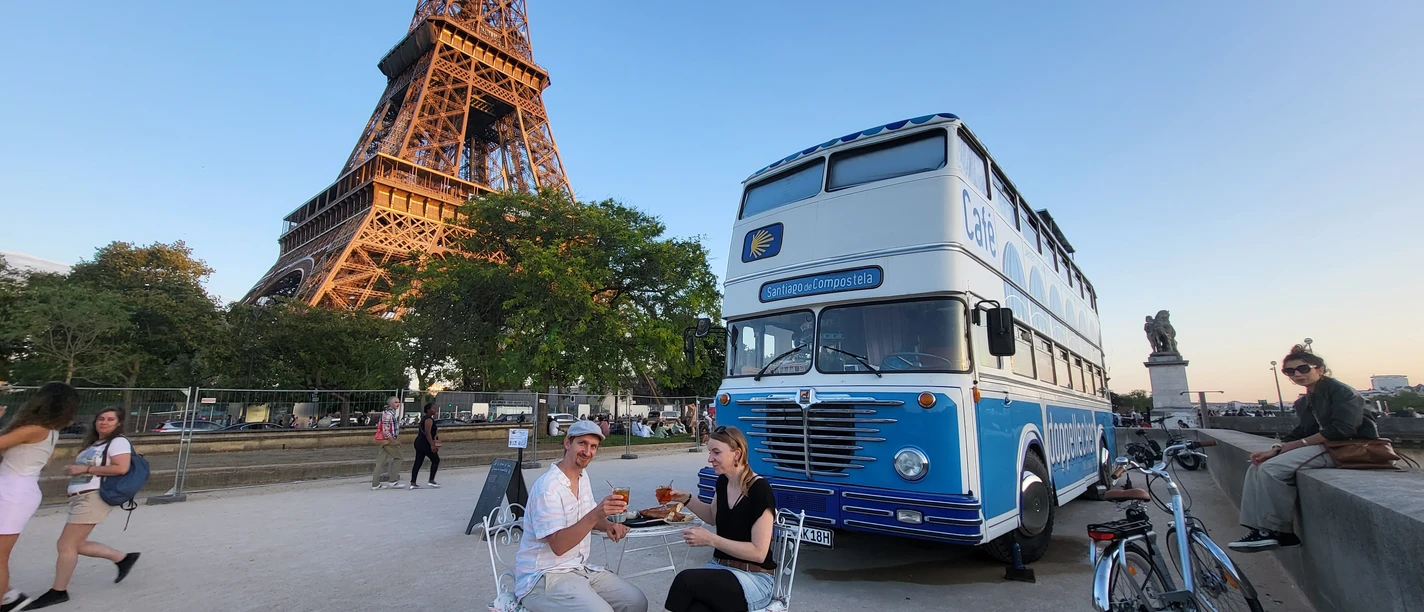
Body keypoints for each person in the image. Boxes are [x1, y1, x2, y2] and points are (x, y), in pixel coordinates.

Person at [1229, 345, 1377, 552]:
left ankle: (1277, 531)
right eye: (1290, 371)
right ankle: (1261, 530)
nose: (1297, 374)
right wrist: (1276, 449)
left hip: (1348, 447)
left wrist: (1298, 445)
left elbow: (1343, 429)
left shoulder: (1342, 392)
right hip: (1329, 445)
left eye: (1303, 369)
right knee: (1257, 466)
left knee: (1272, 470)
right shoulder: (1306, 399)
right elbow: (1302, 430)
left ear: (1320, 369)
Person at [514, 420, 647, 612]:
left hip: (579, 568)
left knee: (635, 601)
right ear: (568, 442)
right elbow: (558, 545)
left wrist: (608, 525)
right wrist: (596, 515)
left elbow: (587, 515)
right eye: (582, 444)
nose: (588, 452)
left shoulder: (582, 477)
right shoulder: (548, 488)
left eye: (593, 446)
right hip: (542, 577)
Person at [25, 407, 141, 610]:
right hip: (80, 497)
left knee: (65, 545)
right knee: (75, 544)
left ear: (118, 423)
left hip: (94, 497)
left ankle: (58, 591)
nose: (104, 422)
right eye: (101, 418)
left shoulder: (118, 442)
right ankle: (122, 558)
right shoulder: (96, 444)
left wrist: (84, 469)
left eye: (110, 419)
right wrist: (74, 471)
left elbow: (121, 468)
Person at [663, 426, 778, 612]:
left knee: (685, 581)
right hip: (721, 569)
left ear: (737, 454)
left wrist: (711, 539)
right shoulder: (723, 481)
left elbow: (759, 553)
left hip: (753, 579)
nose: (710, 459)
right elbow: (712, 517)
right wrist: (686, 499)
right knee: (694, 609)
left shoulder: (760, 490)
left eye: (716, 452)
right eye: (710, 452)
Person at [0, 382, 79, 612]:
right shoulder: (50, 431)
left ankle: (7, 600)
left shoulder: (35, 428)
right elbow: (44, 462)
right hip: (18, 488)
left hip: (14, 491)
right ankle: (9, 596)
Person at [371, 397, 405, 490]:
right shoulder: (388, 414)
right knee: (399, 457)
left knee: (380, 462)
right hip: (388, 440)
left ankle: (375, 484)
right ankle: (393, 481)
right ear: (390, 404)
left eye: (398, 402)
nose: (398, 404)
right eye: (395, 402)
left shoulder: (388, 413)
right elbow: (385, 430)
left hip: (385, 440)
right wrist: (392, 440)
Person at [409, 402, 441, 489]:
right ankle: (431, 480)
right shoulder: (428, 419)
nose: (435, 410)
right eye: (433, 408)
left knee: (418, 462)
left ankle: (413, 482)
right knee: (436, 460)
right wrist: (432, 445)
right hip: (425, 443)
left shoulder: (425, 418)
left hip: (419, 442)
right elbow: (427, 433)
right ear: (428, 410)